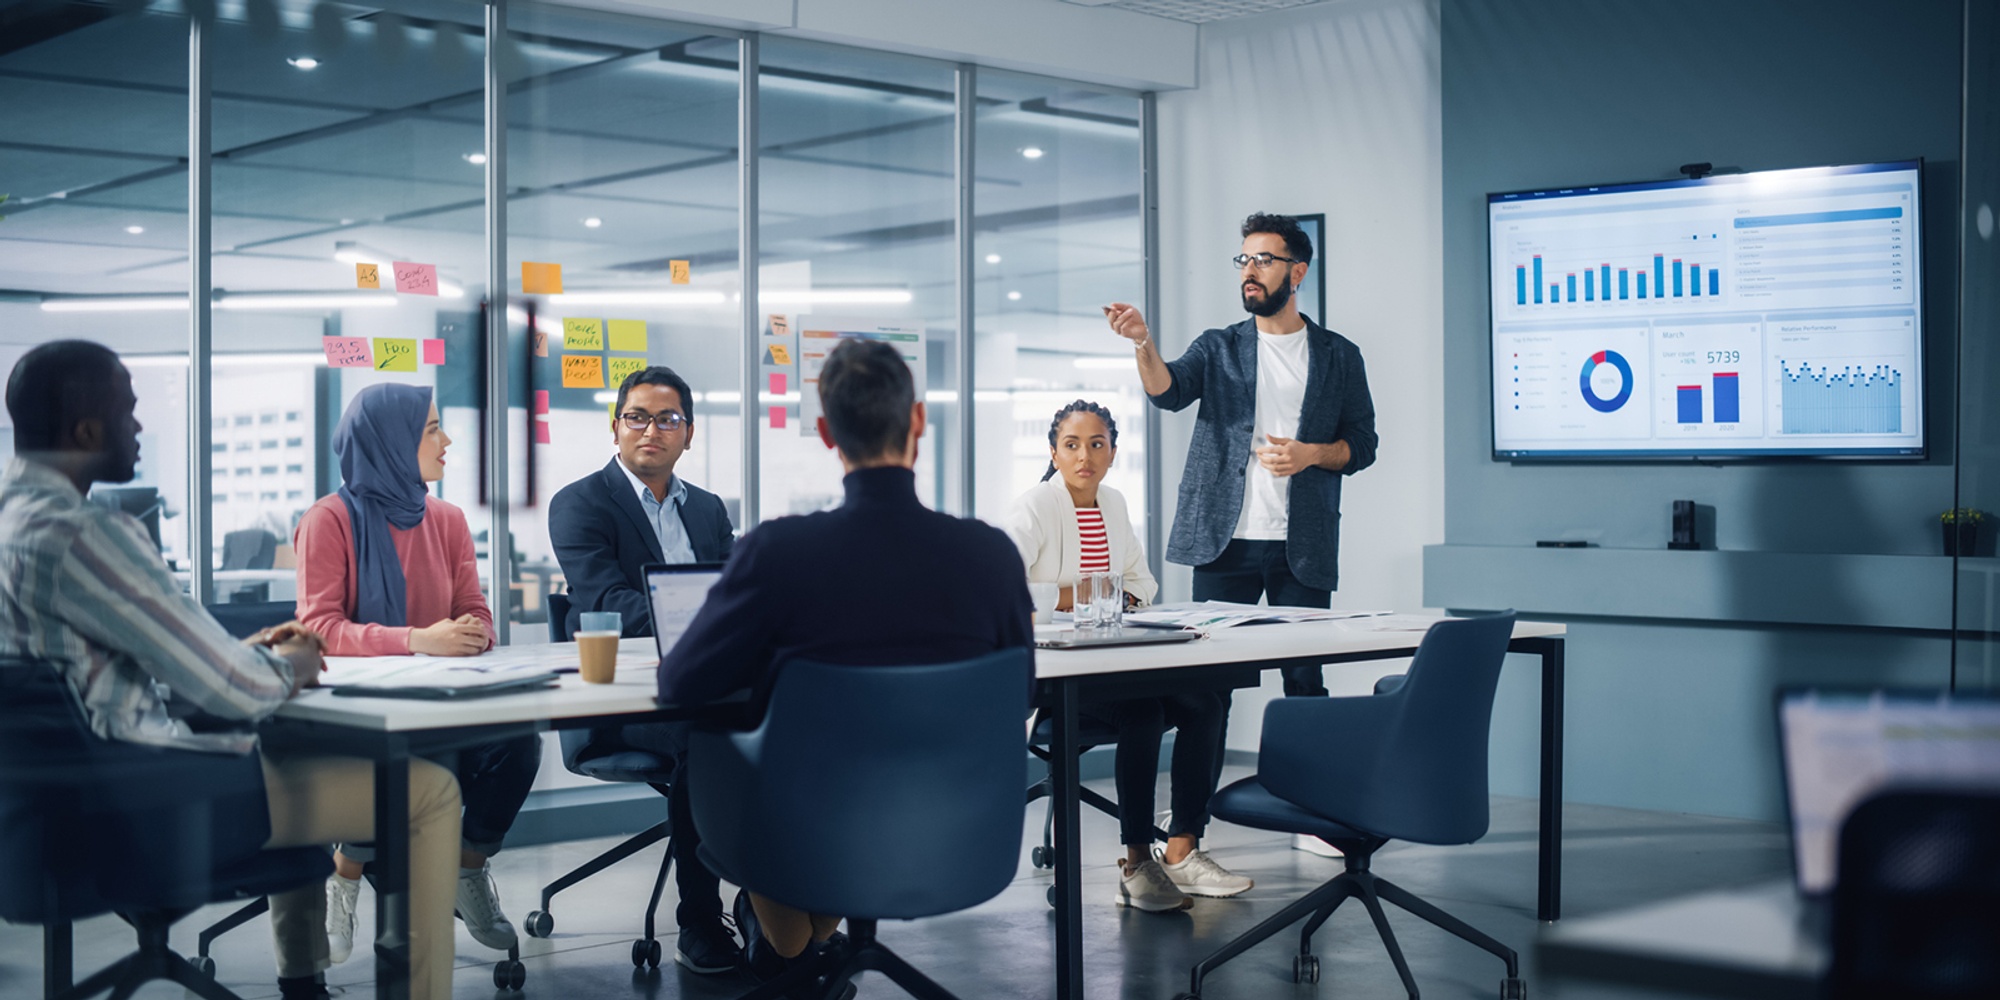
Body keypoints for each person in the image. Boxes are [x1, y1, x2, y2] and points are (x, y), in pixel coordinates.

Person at [0, 341, 462, 1000]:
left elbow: (88, 673)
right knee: (427, 792)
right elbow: (238, 693)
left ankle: (304, 984)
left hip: (42, 811)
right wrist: (292, 664)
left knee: (291, 755)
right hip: (142, 804)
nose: (138, 427)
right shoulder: (85, 532)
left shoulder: (11, 523)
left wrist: (242, 654)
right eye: (128, 412)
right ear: (85, 429)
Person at [651, 338, 1033, 992]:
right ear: (917, 422)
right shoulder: (990, 555)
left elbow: (680, 684)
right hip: (955, 828)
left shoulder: (779, 553)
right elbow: (1018, 694)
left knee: (713, 745)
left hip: (806, 830)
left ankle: (787, 937)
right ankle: (798, 939)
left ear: (827, 433)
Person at [293, 383, 535, 963]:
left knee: (519, 743)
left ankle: (467, 869)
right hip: (358, 716)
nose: (446, 440)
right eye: (431, 429)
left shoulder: (447, 520)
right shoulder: (328, 521)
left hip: (443, 702)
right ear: (390, 441)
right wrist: (417, 641)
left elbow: (475, 611)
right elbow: (318, 629)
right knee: (402, 761)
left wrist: (472, 632)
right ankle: (345, 874)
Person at [1105, 212, 1378, 690]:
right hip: (1222, 542)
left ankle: (1304, 769)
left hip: (1304, 547)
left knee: (1304, 682)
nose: (1249, 271)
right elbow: (1167, 392)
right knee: (1206, 690)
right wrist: (1142, 342)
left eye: (1264, 260)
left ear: (1297, 272)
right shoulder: (1217, 347)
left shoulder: (1340, 355)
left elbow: (1363, 445)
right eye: (1244, 260)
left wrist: (1309, 455)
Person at [1005, 400, 1251, 911]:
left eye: (1097, 444)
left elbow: (1141, 584)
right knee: (1144, 713)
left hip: (1118, 656)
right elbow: (1002, 587)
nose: (1084, 456)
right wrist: (1086, 594)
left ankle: (1182, 849)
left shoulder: (1112, 504)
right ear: (1054, 451)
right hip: (1060, 672)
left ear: (1113, 452)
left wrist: (1101, 593)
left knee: (1205, 704)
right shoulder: (1034, 507)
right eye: (1071, 445)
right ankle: (1138, 863)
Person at [547, 365, 741, 974]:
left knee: (789, 716)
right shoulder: (579, 503)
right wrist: (707, 617)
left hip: (710, 683)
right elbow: (606, 602)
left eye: (667, 418)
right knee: (704, 734)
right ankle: (701, 923)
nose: (650, 429)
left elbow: (740, 592)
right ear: (616, 428)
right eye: (637, 417)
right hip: (624, 702)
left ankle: (777, 904)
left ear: (689, 434)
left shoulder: (707, 510)